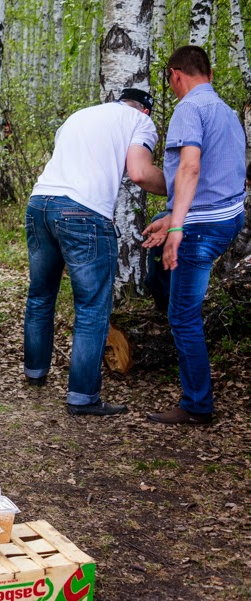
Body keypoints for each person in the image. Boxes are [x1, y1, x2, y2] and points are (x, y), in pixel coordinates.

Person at [24, 88, 166, 416]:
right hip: (83, 213)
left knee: (41, 294)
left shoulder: (79, 117)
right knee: (91, 307)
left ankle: (34, 372)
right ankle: (83, 397)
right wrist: (180, 186)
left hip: (40, 203)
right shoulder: (139, 122)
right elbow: (141, 172)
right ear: (145, 111)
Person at [142, 46, 247, 426]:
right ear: (210, 72)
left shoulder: (189, 108)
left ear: (175, 75)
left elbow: (190, 168)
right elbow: (217, 178)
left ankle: (197, 405)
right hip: (225, 217)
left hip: (202, 228)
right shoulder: (227, 111)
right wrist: (170, 214)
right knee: (162, 275)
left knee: (184, 316)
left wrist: (177, 227)